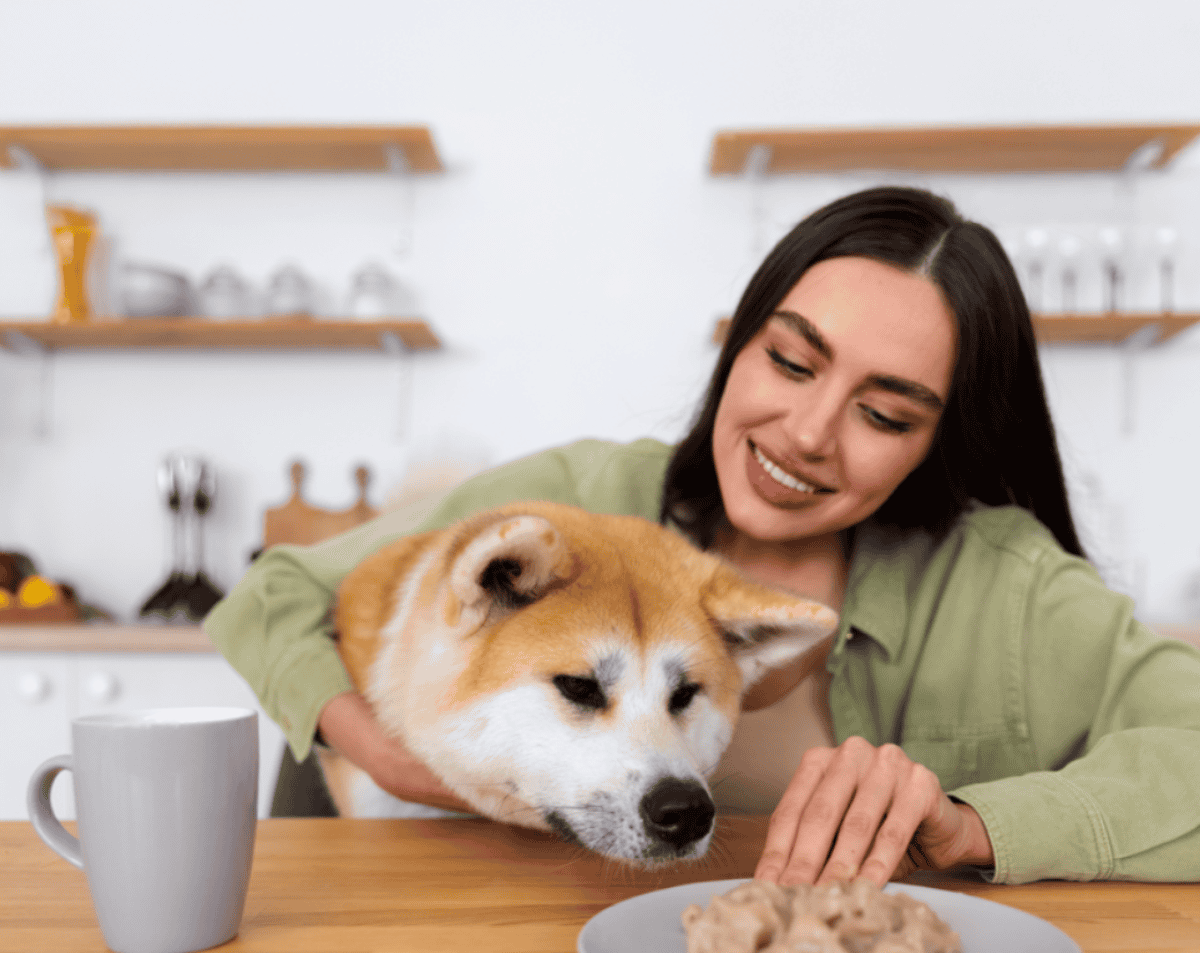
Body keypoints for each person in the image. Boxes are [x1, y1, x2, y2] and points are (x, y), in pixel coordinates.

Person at [205, 186, 1200, 887]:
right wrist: (388, 756)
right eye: (791, 362)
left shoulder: (1006, 588)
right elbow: (273, 597)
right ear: (741, 345)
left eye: (886, 415)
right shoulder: (575, 503)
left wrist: (979, 825)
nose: (807, 435)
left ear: (941, 444)